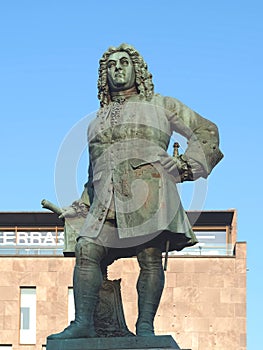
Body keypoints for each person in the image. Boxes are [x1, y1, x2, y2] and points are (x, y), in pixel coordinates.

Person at [48, 43, 223, 339]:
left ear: (137, 69)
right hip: (106, 201)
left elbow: (206, 131)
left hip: (150, 190)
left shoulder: (163, 104)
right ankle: (84, 323)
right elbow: (94, 174)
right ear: (104, 76)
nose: (117, 68)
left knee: (149, 256)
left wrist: (184, 166)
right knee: (86, 248)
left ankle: (145, 327)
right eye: (111, 65)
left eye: (124, 62)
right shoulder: (94, 123)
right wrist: (79, 206)